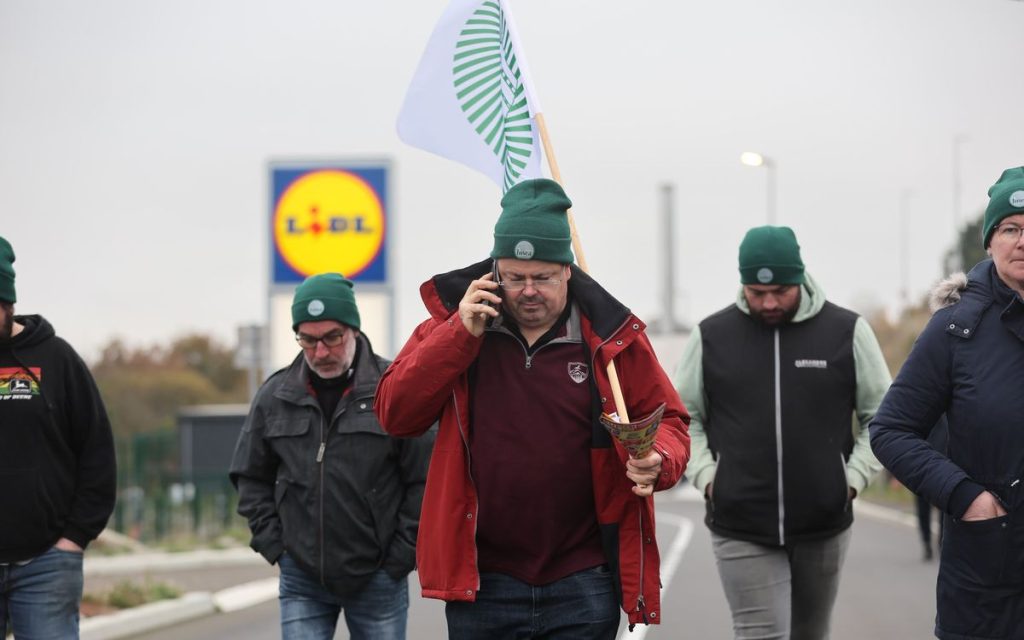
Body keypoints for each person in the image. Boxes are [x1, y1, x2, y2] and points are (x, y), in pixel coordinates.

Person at [373, 178, 691, 638]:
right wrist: (459, 335)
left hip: (583, 578)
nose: (527, 291)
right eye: (514, 278)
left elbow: (673, 422)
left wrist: (657, 458)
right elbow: (395, 415)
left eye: (542, 277)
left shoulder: (610, 338)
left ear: (567, 271)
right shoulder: (453, 328)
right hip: (484, 582)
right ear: (493, 272)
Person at [672, 225, 890, 640]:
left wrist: (852, 479)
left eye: (781, 292)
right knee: (760, 633)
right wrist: (707, 477)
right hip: (739, 520)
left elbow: (881, 415)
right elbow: (685, 418)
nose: (769, 302)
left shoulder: (846, 331)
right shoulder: (711, 336)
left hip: (824, 520)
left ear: (801, 278)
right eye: (757, 293)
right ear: (742, 284)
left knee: (810, 633)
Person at [230, 273, 435, 640]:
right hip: (301, 576)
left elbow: (427, 478)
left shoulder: (394, 388)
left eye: (331, 338)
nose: (320, 352)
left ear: (353, 329)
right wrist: (277, 547)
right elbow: (249, 476)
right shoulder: (275, 396)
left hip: (378, 576)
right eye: (307, 340)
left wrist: (401, 556)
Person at [870, 166, 1024, 640]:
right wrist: (966, 498)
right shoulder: (956, 329)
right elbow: (890, 430)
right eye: (1011, 229)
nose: (1022, 241)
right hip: (987, 575)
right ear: (990, 241)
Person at [0, 235, 117, 639]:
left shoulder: (57, 360)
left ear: (7, 303)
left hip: (47, 564)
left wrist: (74, 538)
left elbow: (97, 453)